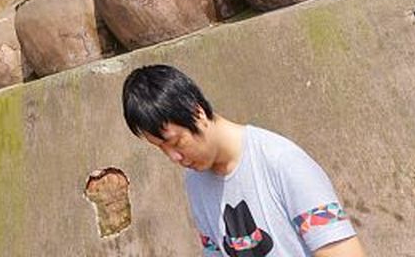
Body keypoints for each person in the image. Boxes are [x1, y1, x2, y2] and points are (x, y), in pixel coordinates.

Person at [123, 64, 364, 256]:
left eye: (176, 142)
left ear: (197, 113)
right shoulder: (195, 183)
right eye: (161, 149)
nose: (174, 157)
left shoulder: (281, 161)